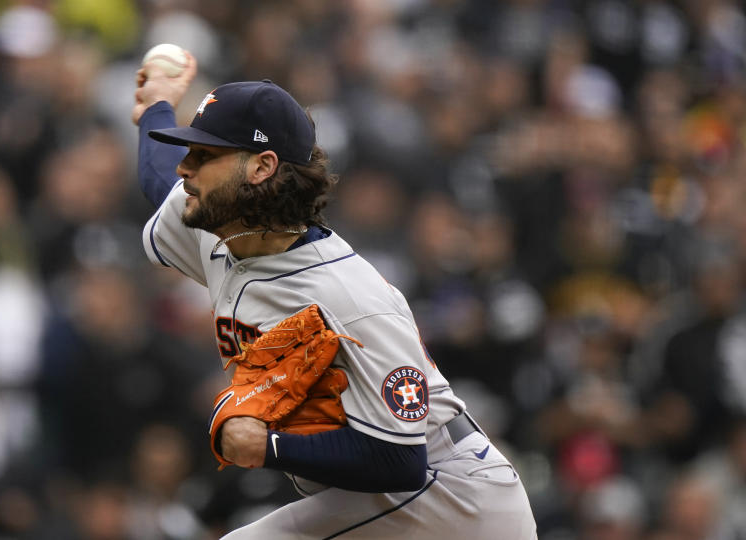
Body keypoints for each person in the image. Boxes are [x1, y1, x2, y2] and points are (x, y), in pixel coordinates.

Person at [131, 51, 538, 539]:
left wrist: (272, 447)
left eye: (205, 155)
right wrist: (158, 104)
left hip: (450, 501)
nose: (185, 169)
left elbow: (401, 459)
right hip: (381, 498)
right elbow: (159, 182)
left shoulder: (349, 297)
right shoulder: (223, 228)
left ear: (261, 167)